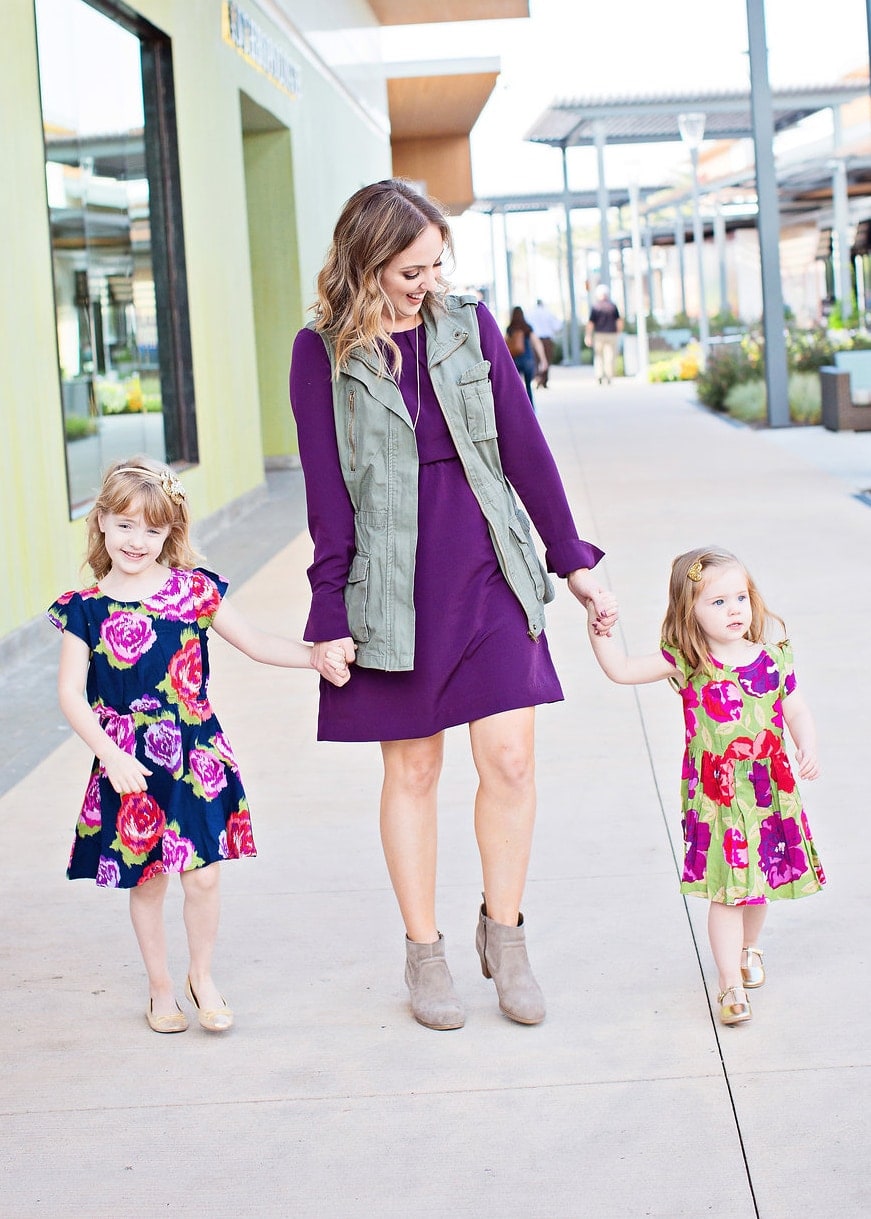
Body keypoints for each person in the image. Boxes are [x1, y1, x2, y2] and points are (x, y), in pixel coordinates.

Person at [289, 178, 614, 1031]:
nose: (427, 283)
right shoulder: (320, 352)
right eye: (410, 270)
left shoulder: (469, 324)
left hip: (487, 563)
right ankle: (424, 950)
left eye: (436, 264)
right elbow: (326, 495)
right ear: (365, 263)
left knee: (509, 759)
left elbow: (523, 446)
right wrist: (329, 613)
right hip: (391, 583)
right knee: (414, 769)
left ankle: (505, 935)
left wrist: (571, 558)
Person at [47, 457, 349, 1035]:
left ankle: (201, 977)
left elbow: (256, 643)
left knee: (204, 875)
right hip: (128, 761)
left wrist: (314, 656)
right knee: (148, 879)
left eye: (152, 529)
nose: (137, 541)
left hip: (195, 753)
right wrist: (110, 754)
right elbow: (69, 694)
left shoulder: (194, 591)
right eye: (126, 525)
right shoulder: (83, 609)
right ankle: (160, 987)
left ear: (171, 532)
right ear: (102, 521)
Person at [584, 546, 825, 1026]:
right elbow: (622, 670)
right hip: (718, 798)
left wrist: (807, 745)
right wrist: (601, 632)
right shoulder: (690, 661)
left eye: (740, 597)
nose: (734, 609)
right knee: (727, 891)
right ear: (689, 611)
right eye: (717, 602)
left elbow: (794, 708)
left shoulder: (773, 657)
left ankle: (750, 948)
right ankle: (729, 984)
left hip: (769, 791)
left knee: (759, 883)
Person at [505, 305, 547, 406]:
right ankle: (531, 409)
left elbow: (505, 344)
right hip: (528, 361)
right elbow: (537, 343)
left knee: (516, 387)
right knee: (528, 387)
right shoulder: (527, 328)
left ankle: (518, 408)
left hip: (515, 361)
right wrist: (543, 359)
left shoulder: (510, 328)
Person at [584, 283, 623, 384]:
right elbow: (619, 321)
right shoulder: (612, 306)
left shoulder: (596, 307)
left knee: (599, 356)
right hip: (611, 334)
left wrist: (588, 335)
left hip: (599, 335)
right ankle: (609, 376)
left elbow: (591, 323)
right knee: (610, 356)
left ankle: (599, 375)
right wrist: (618, 332)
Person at [527, 299, 561, 388]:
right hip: (547, 339)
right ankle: (544, 380)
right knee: (547, 359)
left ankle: (537, 377)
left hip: (535, 339)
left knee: (536, 360)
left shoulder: (530, 313)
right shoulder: (548, 312)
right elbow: (557, 326)